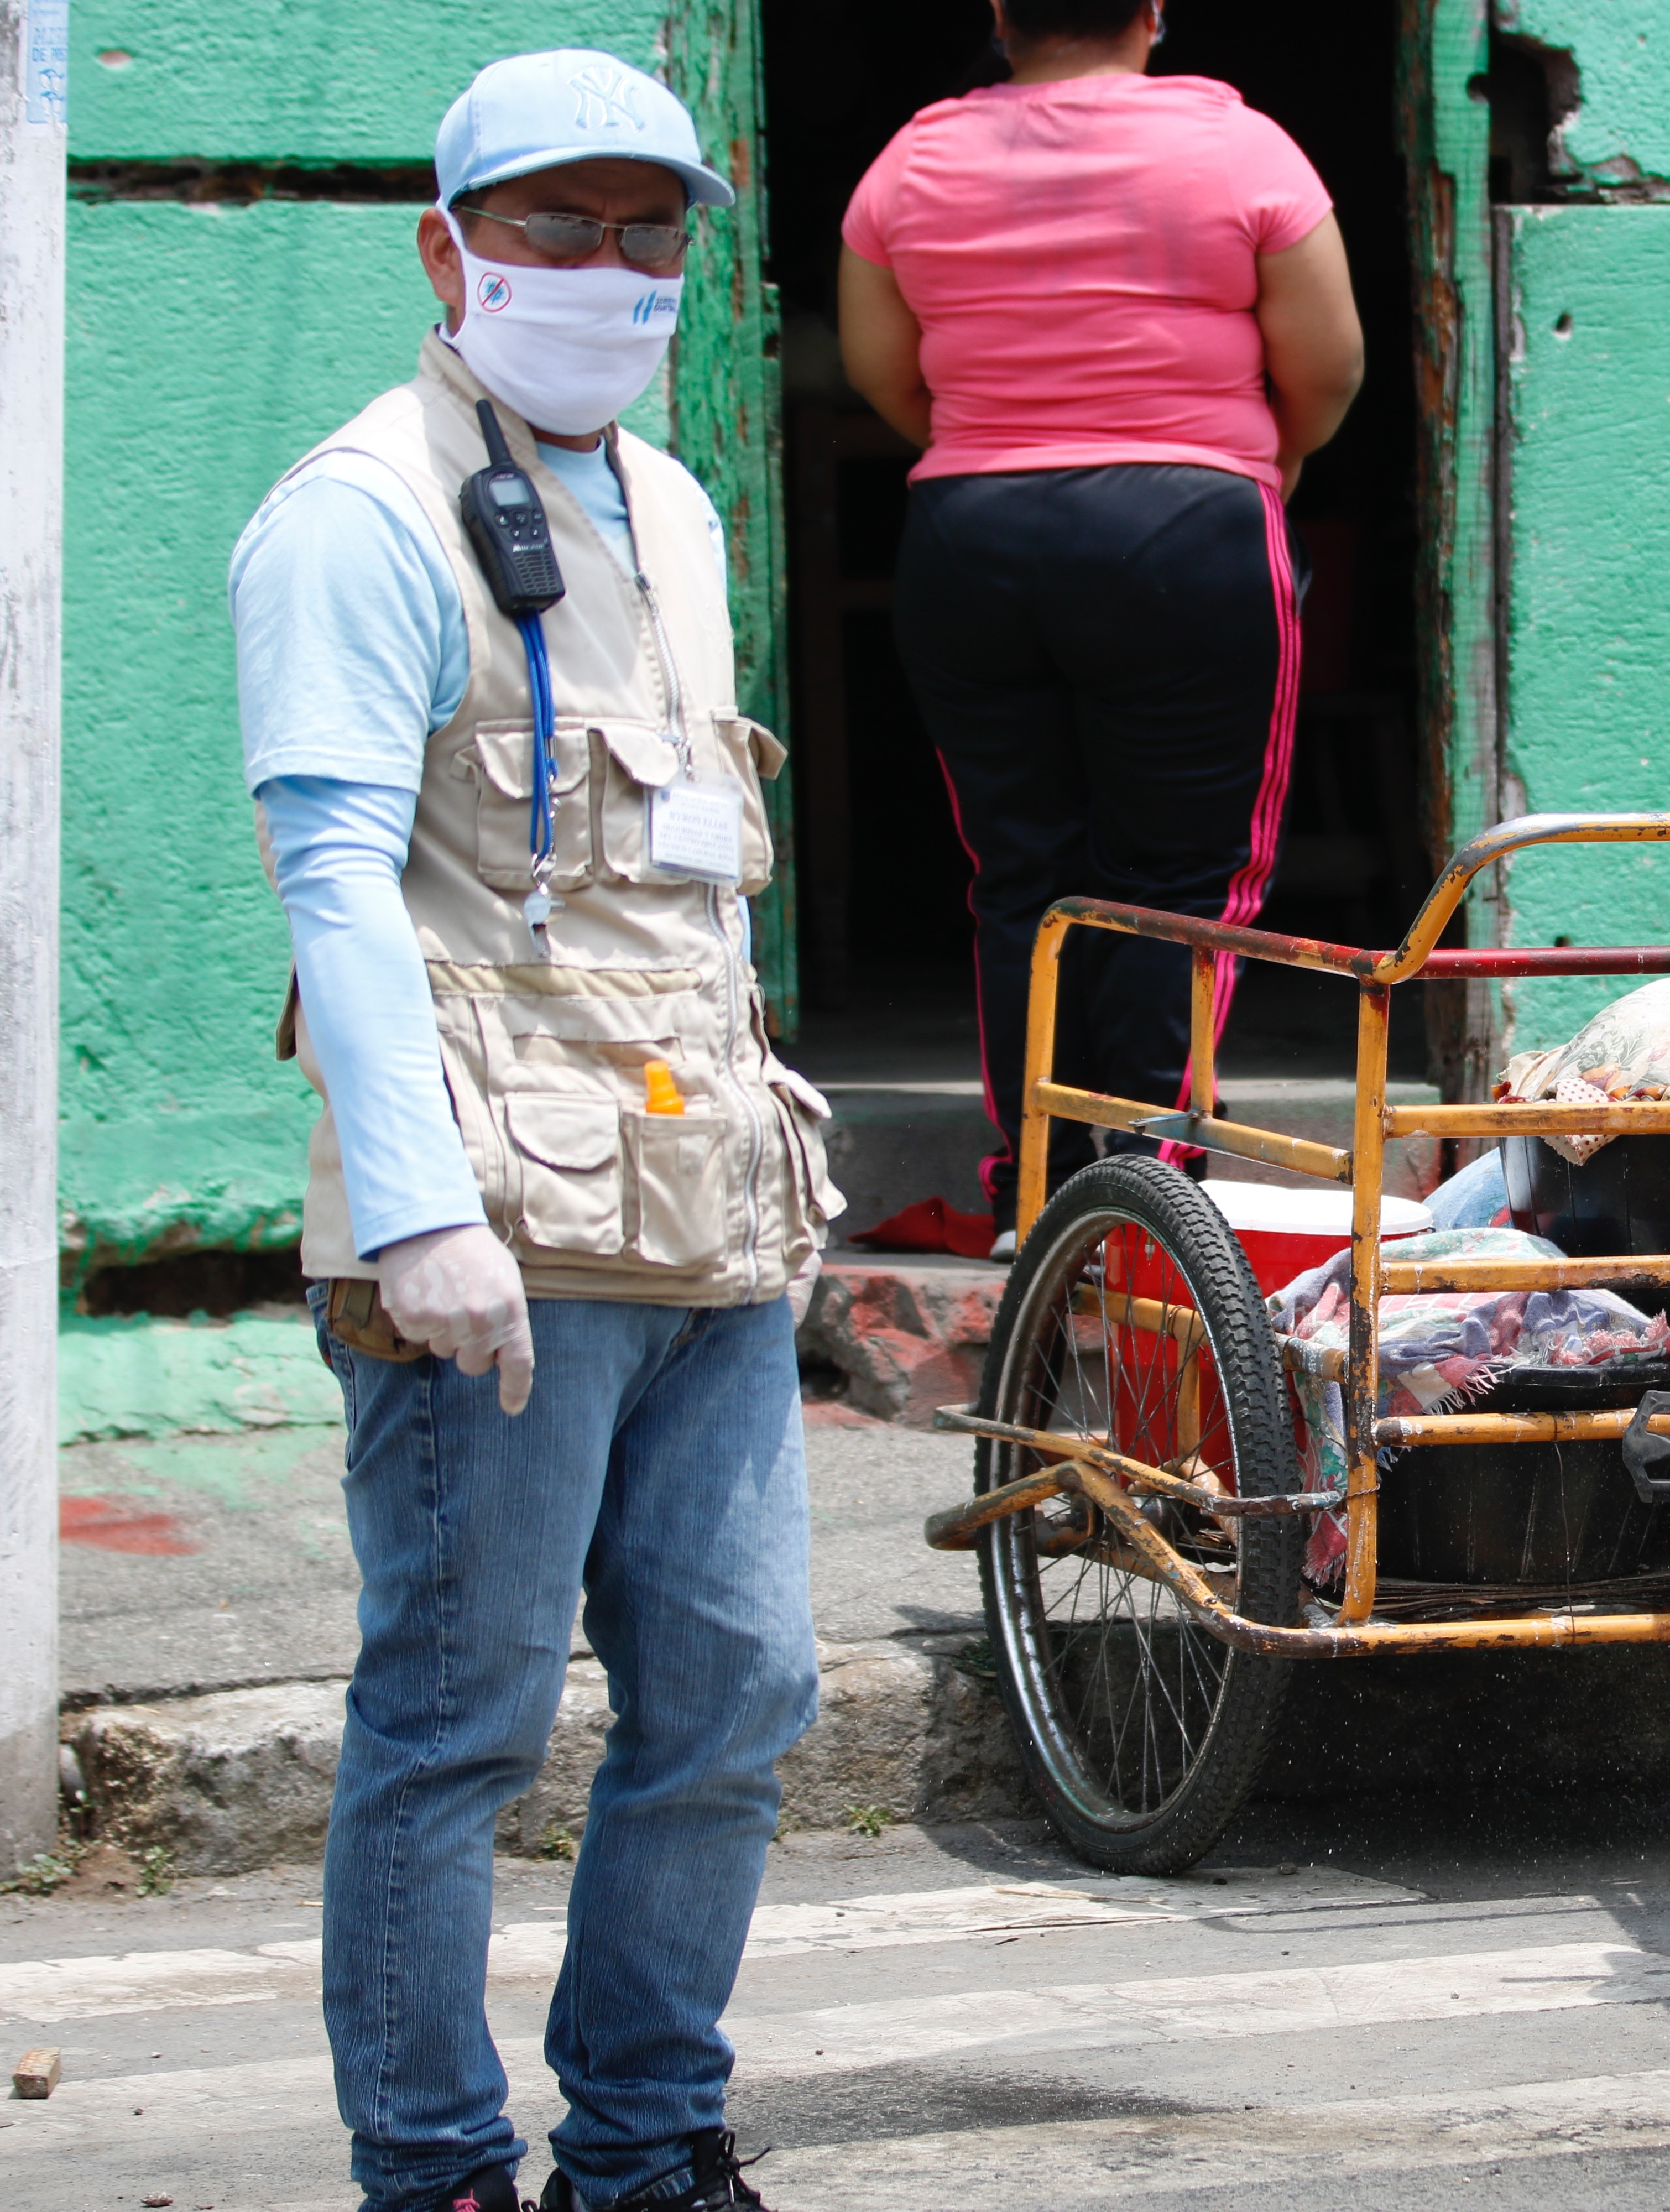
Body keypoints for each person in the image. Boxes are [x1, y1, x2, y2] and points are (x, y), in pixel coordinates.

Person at [232, 50, 833, 2212]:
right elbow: (336, 878)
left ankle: (651, 2148)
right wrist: (414, 1217)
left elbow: (682, 880)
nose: (606, 271)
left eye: (646, 229)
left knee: (744, 1691)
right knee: (461, 1721)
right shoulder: (357, 511)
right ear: (447, 249)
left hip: (699, 1214)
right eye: (552, 227)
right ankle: (436, 2166)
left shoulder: (668, 507)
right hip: (487, 1232)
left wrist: (778, 1172)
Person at [837, 0, 1365, 1245]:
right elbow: (1329, 364)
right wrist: (1249, 468)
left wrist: (1000, 450)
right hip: (1188, 526)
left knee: (1021, 870)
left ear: (1001, 14)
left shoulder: (911, 160)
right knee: (1183, 880)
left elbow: (878, 366)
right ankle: (1142, 1183)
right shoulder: (1245, 151)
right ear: (1154, 10)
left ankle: (1037, 1185)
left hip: (969, 534)